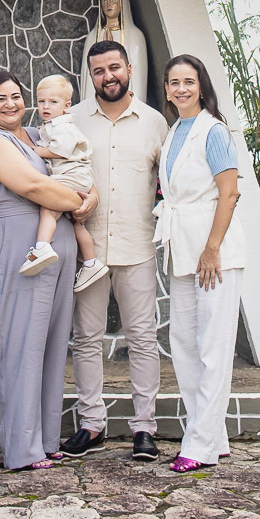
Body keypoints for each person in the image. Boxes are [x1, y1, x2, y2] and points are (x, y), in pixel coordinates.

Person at [0, 69, 96, 471]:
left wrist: (89, 195)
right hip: (19, 240)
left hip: (59, 240)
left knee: (51, 344)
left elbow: (78, 164)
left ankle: (46, 439)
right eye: (0, 99)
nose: (11, 104)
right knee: (22, 344)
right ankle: (22, 449)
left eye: (16, 96)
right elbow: (33, 187)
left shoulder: (37, 135)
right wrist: (78, 198)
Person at [63, 40, 168, 463]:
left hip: (137, 245)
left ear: (128, 67)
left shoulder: (155, 123)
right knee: (85, 339)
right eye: (99, 71)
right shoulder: (71, 121)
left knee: (142, 340)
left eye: (114, 68)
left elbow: (171, 181)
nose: (108, 76)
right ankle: (92, 425)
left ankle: (145, 427)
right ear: (91, 76)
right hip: (87, 250)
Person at [152, 53, 246, 473]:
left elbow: (229, 193)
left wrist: (213, 248)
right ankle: (214, 435)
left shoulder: (214, 131)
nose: (181, 89)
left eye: (188, 81)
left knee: (212, 346)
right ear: (167, 89)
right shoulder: (173, 131)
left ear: (202, 86)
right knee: (184, 344)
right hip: (181, 245)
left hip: (214, 249)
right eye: (174, 83)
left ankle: (201, 443)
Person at [19, 73, 108, 292]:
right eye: (41, 101)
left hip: (72, 176)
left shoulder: (62, 126)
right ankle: (91, 262)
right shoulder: (53, 124)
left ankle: (42, 247)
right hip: (78, 178)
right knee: (77, 224)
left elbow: (62, 149)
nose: (46, 106)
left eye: (53, 102)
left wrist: (38, 151)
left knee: (49, 209)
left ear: (67, 106)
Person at [80, 0, 149, 103]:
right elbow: (87, 78)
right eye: (104, 1)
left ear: (122, 2)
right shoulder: (93, 37)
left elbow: (138, 76)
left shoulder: (134, 35)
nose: (108, 4)